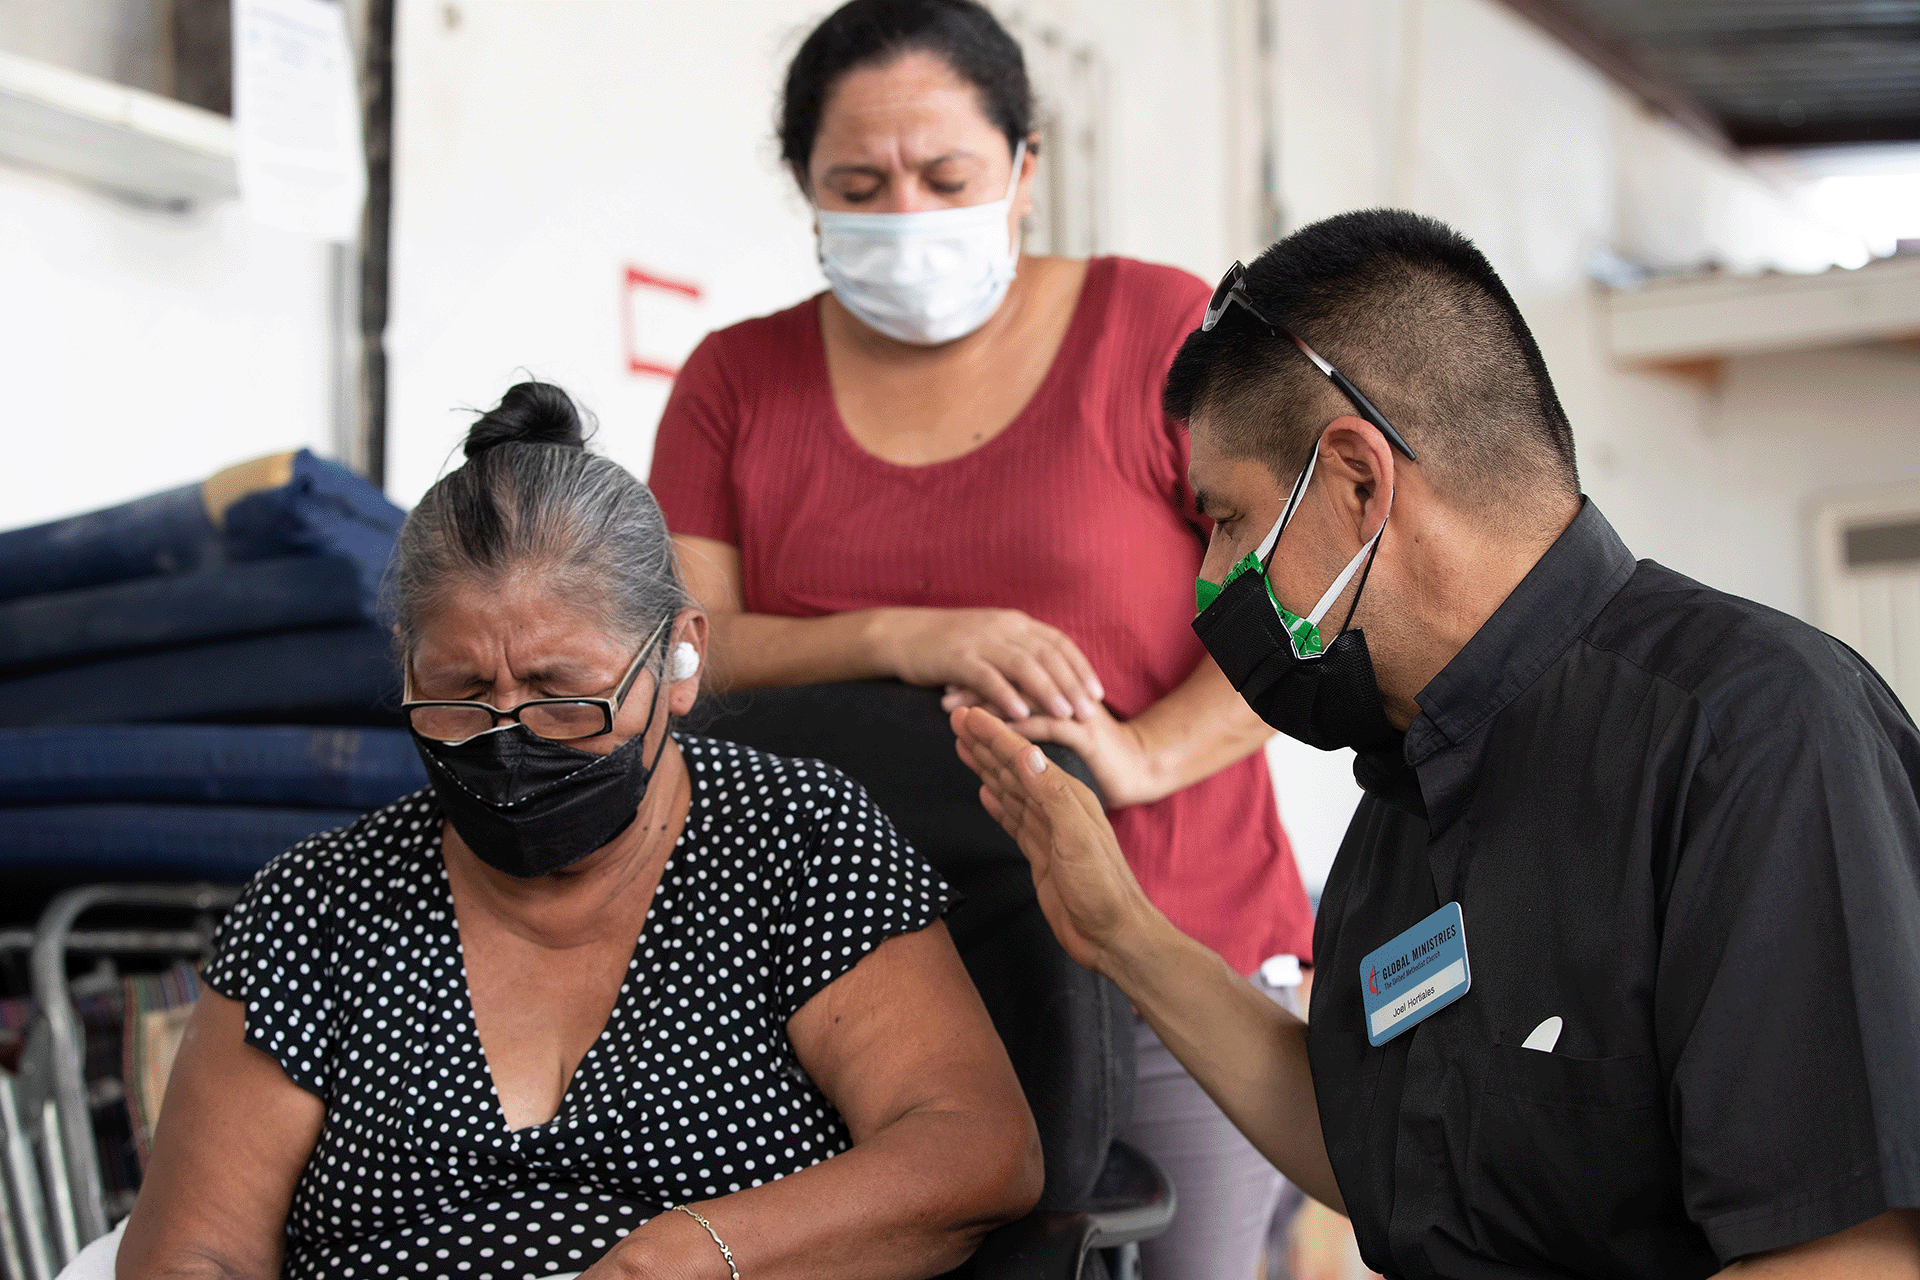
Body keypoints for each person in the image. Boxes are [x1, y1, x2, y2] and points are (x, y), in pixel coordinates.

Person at [954, 209, 1920, 1278]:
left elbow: (1848, 1254)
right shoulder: (1407, 789)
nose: (1210, 578)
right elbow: (1373, 1149)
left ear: (1360, 480)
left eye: (1226, 521)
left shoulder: (1753, 736)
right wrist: (1119, 927)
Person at [647, 4, 1313, 1272]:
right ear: (805, 189)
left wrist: (1144, 757)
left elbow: (1304, 604)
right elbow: (684, 657)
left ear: (1024, 170)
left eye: (946, 176)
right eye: (858, 182)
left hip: (1173, 955)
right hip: (848, 993)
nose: (905, 211)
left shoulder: (1160, 334)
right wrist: (904, 634)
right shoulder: (736, 384)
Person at [114, 382, 1041, 1280]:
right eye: (461, 695)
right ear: (405, 665)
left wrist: (682, 1258)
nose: (510, 744)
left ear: (681, 658)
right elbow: (194, 1253)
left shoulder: (793, 840)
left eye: (564, 698)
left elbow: (974, 1147)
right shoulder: (313, 910)